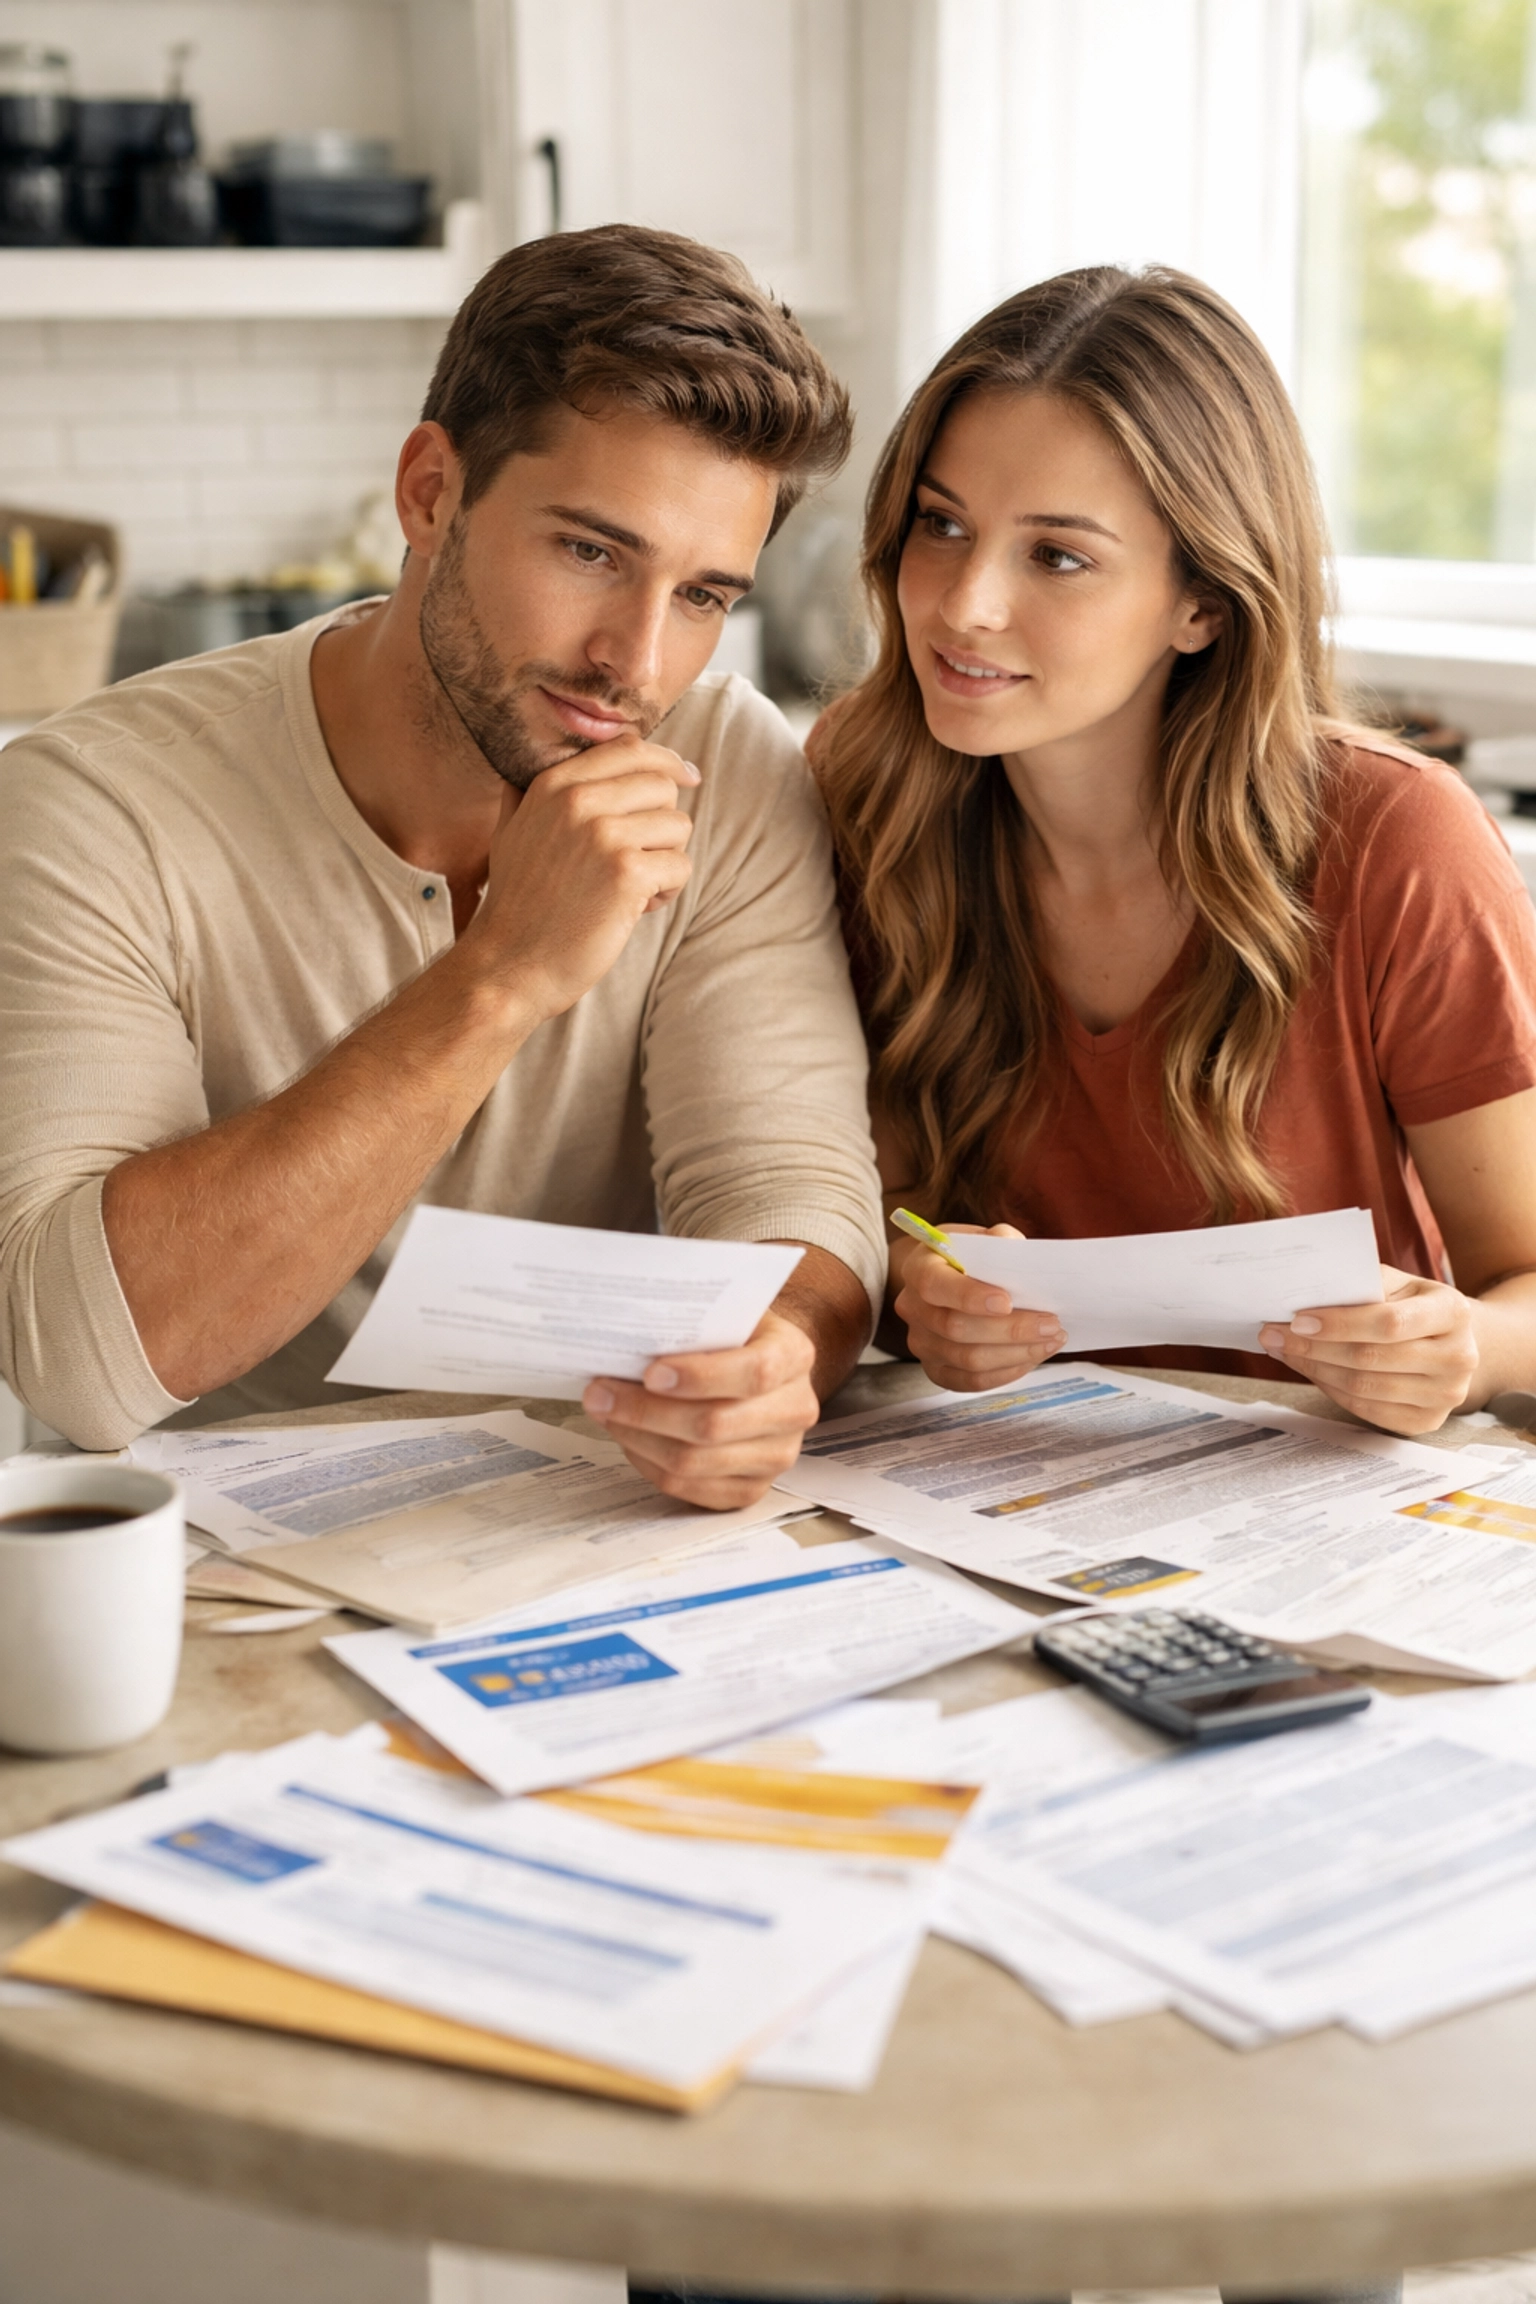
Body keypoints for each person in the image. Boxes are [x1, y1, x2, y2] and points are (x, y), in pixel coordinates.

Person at [0, 224, 885, 1505]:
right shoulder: (93, 805)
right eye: (591, 551)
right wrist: (504, 971)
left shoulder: (726, 768)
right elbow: (83, 1363)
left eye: (702, 596)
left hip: (589, 1512)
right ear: (429, 494)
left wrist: (777, 1355)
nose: (636, 664)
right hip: (216, 1549)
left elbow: (787, 1188)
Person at [813, 264, 1536, 1439]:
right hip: (996, 1476)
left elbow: (1526, 1286)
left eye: (1056, 555)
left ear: (1202, 602)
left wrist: (1464, 1347)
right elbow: (869, 1200)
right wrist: (922, 1288)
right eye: (941, 526)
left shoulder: (1398, 839)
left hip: (1316, 1491)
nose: (962, 604)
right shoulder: (862, 793)